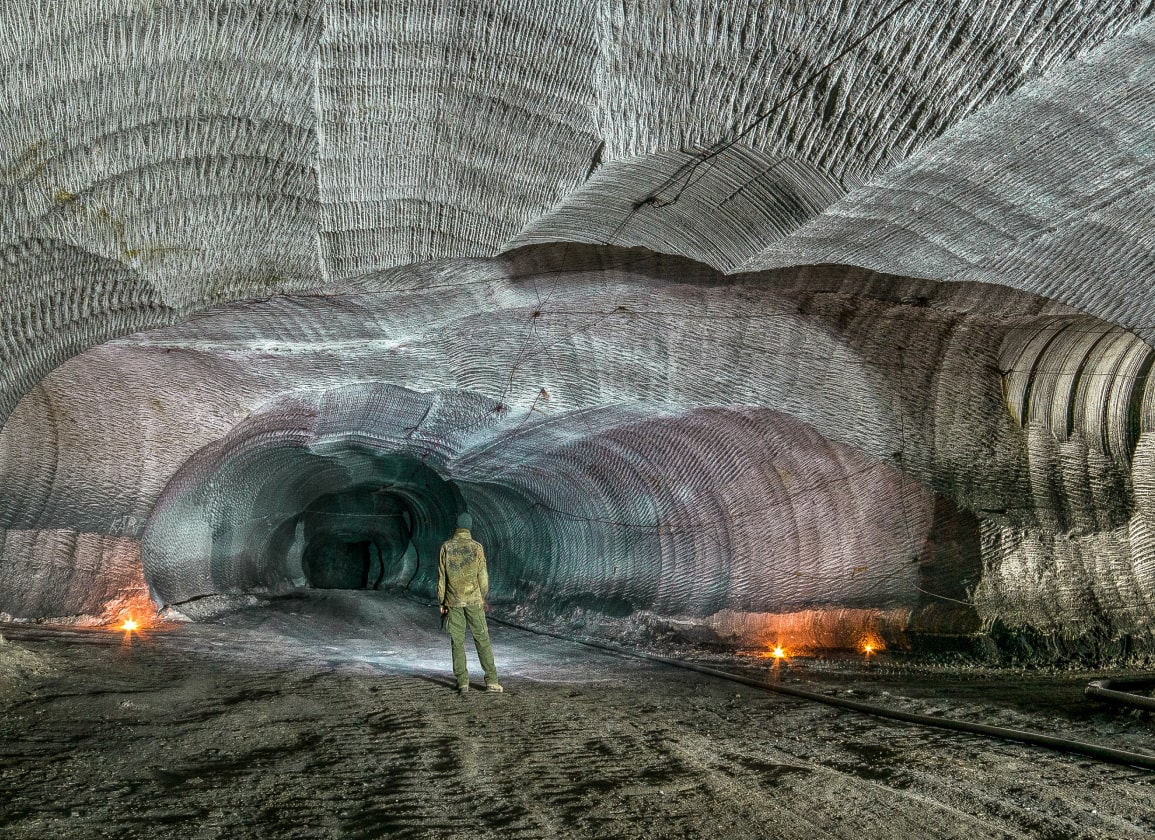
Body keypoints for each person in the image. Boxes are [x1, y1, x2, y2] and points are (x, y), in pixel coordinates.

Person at [438, 512, 502, 694]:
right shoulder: (476, 547)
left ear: (456, 526)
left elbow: (442, 578)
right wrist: (483, 596)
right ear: (469, 527)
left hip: (453, 601)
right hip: (474, 600)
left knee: (457, 642)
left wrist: (441, 602)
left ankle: (462, 682)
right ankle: (491, 681)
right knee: (482, 639)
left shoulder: (446, 547)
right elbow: (483, 576)